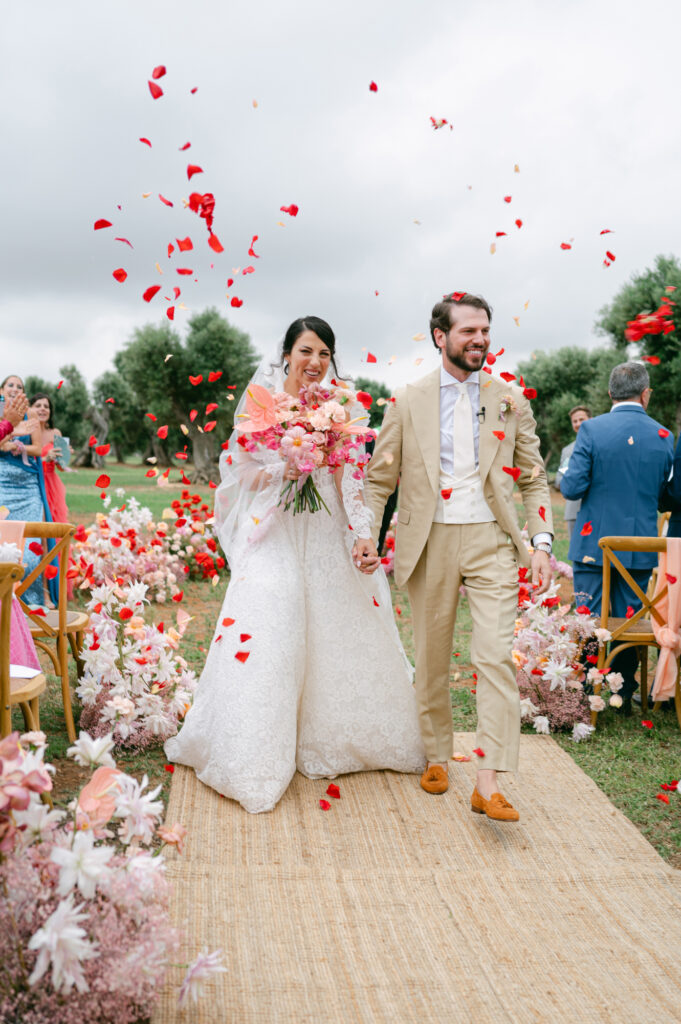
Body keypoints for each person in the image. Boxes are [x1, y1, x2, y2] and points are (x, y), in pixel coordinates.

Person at [165, 317, 425, 814]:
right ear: (286, 354)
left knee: (334, 626)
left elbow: (352, 479)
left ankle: (332, 738)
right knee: (271, 619)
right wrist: (281, 466)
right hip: (275, 530)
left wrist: (363, 534)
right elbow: (237, 472)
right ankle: (252, 752)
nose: (315, 362)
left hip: (326, 530)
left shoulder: (342, 406)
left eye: (325, 353)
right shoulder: (262, 404)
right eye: (306, 350)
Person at [364, 293, 553, 823]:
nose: (479, 339)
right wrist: (368, 535)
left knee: (493, 657)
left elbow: (534, 476)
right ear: (440, 336)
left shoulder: (509, 400)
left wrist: (541, 543)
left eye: (485, 330)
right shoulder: (407, 400)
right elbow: (379, 480)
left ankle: (487, 782)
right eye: (468, 330)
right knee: (432, 657)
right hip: (429, 540)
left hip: (493, 539)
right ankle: (436, 755)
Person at [560, 362, 673, 711]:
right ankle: (621, 693)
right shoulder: (664, 436)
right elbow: (666, 497)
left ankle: (586, 691)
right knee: (630, 619)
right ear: (645, 394)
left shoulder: (591, 430)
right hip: (639, 550)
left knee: (589, 619)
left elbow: (571, 488)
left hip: (594, 546)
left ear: (610, 393)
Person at [0, 375, 57, 607]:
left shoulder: (30, 414)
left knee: (31, 545)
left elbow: (37, 448)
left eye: (19, 386)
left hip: (27, 488)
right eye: (10, 385)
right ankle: (5, 597)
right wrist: (9, 434)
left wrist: (16, 445)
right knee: (5, 543)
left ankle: (32, 600)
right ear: (2, 390)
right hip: (3, 485)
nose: (15, 388)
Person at [554, 405, 591, 539]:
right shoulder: (567, 451)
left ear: (591, 419)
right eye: (575, 421)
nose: (578, 424)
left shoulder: (602, 445)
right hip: (573, 511)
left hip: (596, 511)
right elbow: (559, 478)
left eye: (581, 419)